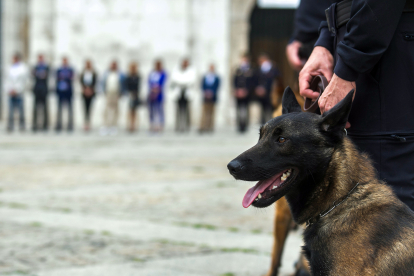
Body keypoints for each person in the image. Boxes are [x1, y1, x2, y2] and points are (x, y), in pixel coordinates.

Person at [299, 0, 414, 210]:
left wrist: (348, 67)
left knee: (392, 213)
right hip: (366, 49)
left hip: (388, 54)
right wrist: (324, 42)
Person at [170, 59, 196, 132]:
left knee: (186, 110)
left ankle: (187, 126)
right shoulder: (176, 70)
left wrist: (182, 82)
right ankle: (178, 126)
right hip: (178, 92)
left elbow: (191, 80)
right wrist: (182, 82)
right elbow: (174, 79)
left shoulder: (191, 71)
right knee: (178, 110)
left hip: (187, 92)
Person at [254, 53, 280, 124]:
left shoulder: (274, 69)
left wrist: (266, 89)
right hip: (262, 94)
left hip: (271, 94)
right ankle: (263, 123)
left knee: (272, 109)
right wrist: (258, 89)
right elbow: (256, 80)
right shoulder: (259, 70)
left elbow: (276, 81)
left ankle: (272, 122)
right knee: (263, 109)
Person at [101, 60, 125, 136]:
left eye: (115, 65)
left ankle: (113, 126)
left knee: (116, 110)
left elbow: (123, 84)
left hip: (116, 93)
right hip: (108, 93)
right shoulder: (106, 74)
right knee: (106, 109)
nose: (113, 66)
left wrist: (121, 93)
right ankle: (106, 125)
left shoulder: (120, 74)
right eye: (112, 65)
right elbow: (102, 83)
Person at [6, 53, 28, 132]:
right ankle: (10, 126)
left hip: (19, 92)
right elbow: (7, 80)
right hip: (11, 92)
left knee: (21, 110)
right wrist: (9, 89)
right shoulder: (9, 68)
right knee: (10, 111)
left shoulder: (23, 68)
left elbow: (24, 81)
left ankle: (22, 126)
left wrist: (17, 89)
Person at [233, 54, 254, 133]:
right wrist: (236, 90)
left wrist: (246, 90)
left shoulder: (250, 70)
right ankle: (239, 126)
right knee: (238, 109)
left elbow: (252, 82)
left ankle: (245, 125)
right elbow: (235, 81)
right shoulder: (238, 70)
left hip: (246, 94)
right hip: (238, 93)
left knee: (245, 109)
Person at [199, 64, 220, 133]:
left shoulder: (216, 78)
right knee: (204, 112)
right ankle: (203, 126)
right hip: (205, 97)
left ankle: (210, 126)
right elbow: (202, 86)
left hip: (213, 97)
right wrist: (206, 92)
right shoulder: (205, 77)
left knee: (212, 112)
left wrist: (211, 93)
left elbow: (217, 87)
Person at [55, 56, 74, 132]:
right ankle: (59, 124)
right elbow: (57, 78)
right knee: (59, 109)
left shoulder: (70, 70)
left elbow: (71, 78)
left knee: (70, 109)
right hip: (60, 91)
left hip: (68, 91)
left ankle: (70, 124)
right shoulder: (59, 70)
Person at [148, 60, 166, 133]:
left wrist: (157, 89)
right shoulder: (152, 73)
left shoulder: (163, 73)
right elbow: (149, 82)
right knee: (152, 111)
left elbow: (162, 83)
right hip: (152, 95)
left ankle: (160, 125)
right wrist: (153, 89)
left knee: (160, 110)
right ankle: (152, 124)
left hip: (159, 95)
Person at [32, 54, 49, 132]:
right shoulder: (35, 67)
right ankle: (35, 124)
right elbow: (34, 75)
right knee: (35, 108)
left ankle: (45, 124)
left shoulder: (46, 67)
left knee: (45, 108)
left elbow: (46, 76)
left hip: (44, 90)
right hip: (37, 90)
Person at [79, 60, 97, 132]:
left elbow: (94, 82)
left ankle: (89, 123)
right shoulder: (83, 73)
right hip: (84, 93)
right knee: (84, 108)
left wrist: (90, 89)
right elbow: (81, 81)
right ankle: (85, 123)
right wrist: (85, 89)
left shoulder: (94, 73)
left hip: (91, 93)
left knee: (90, 108)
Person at [126, 62, 141, 133]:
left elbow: (139, 86)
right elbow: (127, 86)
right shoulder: (128, 77)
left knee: (135, 111)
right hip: (130, 95)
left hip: (136, 95)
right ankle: (129, 125)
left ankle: (135, 125)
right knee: (130, 110)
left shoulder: (138, 76)